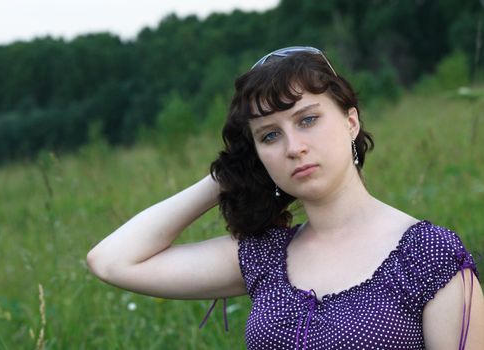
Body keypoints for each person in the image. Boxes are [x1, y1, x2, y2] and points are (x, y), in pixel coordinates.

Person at [87, 46, 484, 349]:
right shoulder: (266, 256)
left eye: (307, 120)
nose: (293, 147)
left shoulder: (430, 256)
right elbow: (111, 260)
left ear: (350, 121)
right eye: (269, 135)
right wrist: (228, 174)